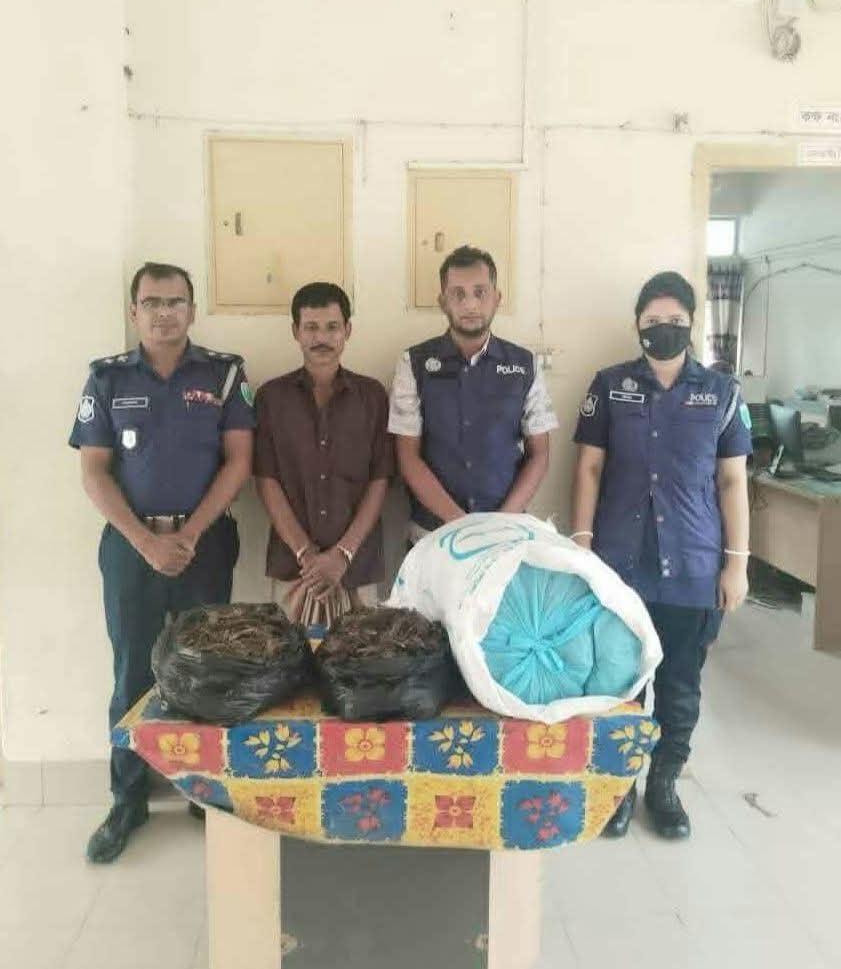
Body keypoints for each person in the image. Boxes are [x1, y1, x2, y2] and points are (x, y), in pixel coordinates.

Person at [70, 262, 255, 862]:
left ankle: (204, 793)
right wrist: (146, 542)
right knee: (132, 669)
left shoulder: (224, 374)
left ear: (192, 311)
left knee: (209, 669)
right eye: (151, 302)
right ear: (134, 312)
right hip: (130, 547)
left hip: (206, 544)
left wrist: (190, 534)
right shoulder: (106, 378)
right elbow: (94, 471)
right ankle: (128, 798)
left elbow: (239, 462)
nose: (164, 312)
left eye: (175, 302)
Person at [571, 270, 751, 839]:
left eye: (675, 320)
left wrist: (737, 564)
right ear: (637, 325)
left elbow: (732, 481)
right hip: (620, 566)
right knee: (620, 683)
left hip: (693, 568)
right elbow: (589, 468)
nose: (664, 329)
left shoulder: (722, 393)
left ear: (692, 323)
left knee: (679, 687)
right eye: (653, 321)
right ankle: (619, 787)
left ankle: (664, 786)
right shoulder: (610, 385)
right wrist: (581, 544)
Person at [389, 245, 558, 539]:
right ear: (443, 302)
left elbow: (540, 454)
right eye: (458, 294)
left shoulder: (525, 365)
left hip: (505, 533)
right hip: (432, 534)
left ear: (497, 299)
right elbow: (408, 458)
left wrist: (500, 523)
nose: (470, 304)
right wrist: (461, 525)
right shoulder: (413, 363)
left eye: (480, 292)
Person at [254, 283, 393, 616]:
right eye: (311, 327)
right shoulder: (271, 398)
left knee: (362, 651)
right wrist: (307, 554)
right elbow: (266, 480)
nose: (322, 338)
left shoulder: (372, 397)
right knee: (287, 650)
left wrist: (342, 555)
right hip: (295, 569)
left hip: (357, 568)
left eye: (332, 327)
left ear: (347, 330)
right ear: (296, 332)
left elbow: (381, 480)